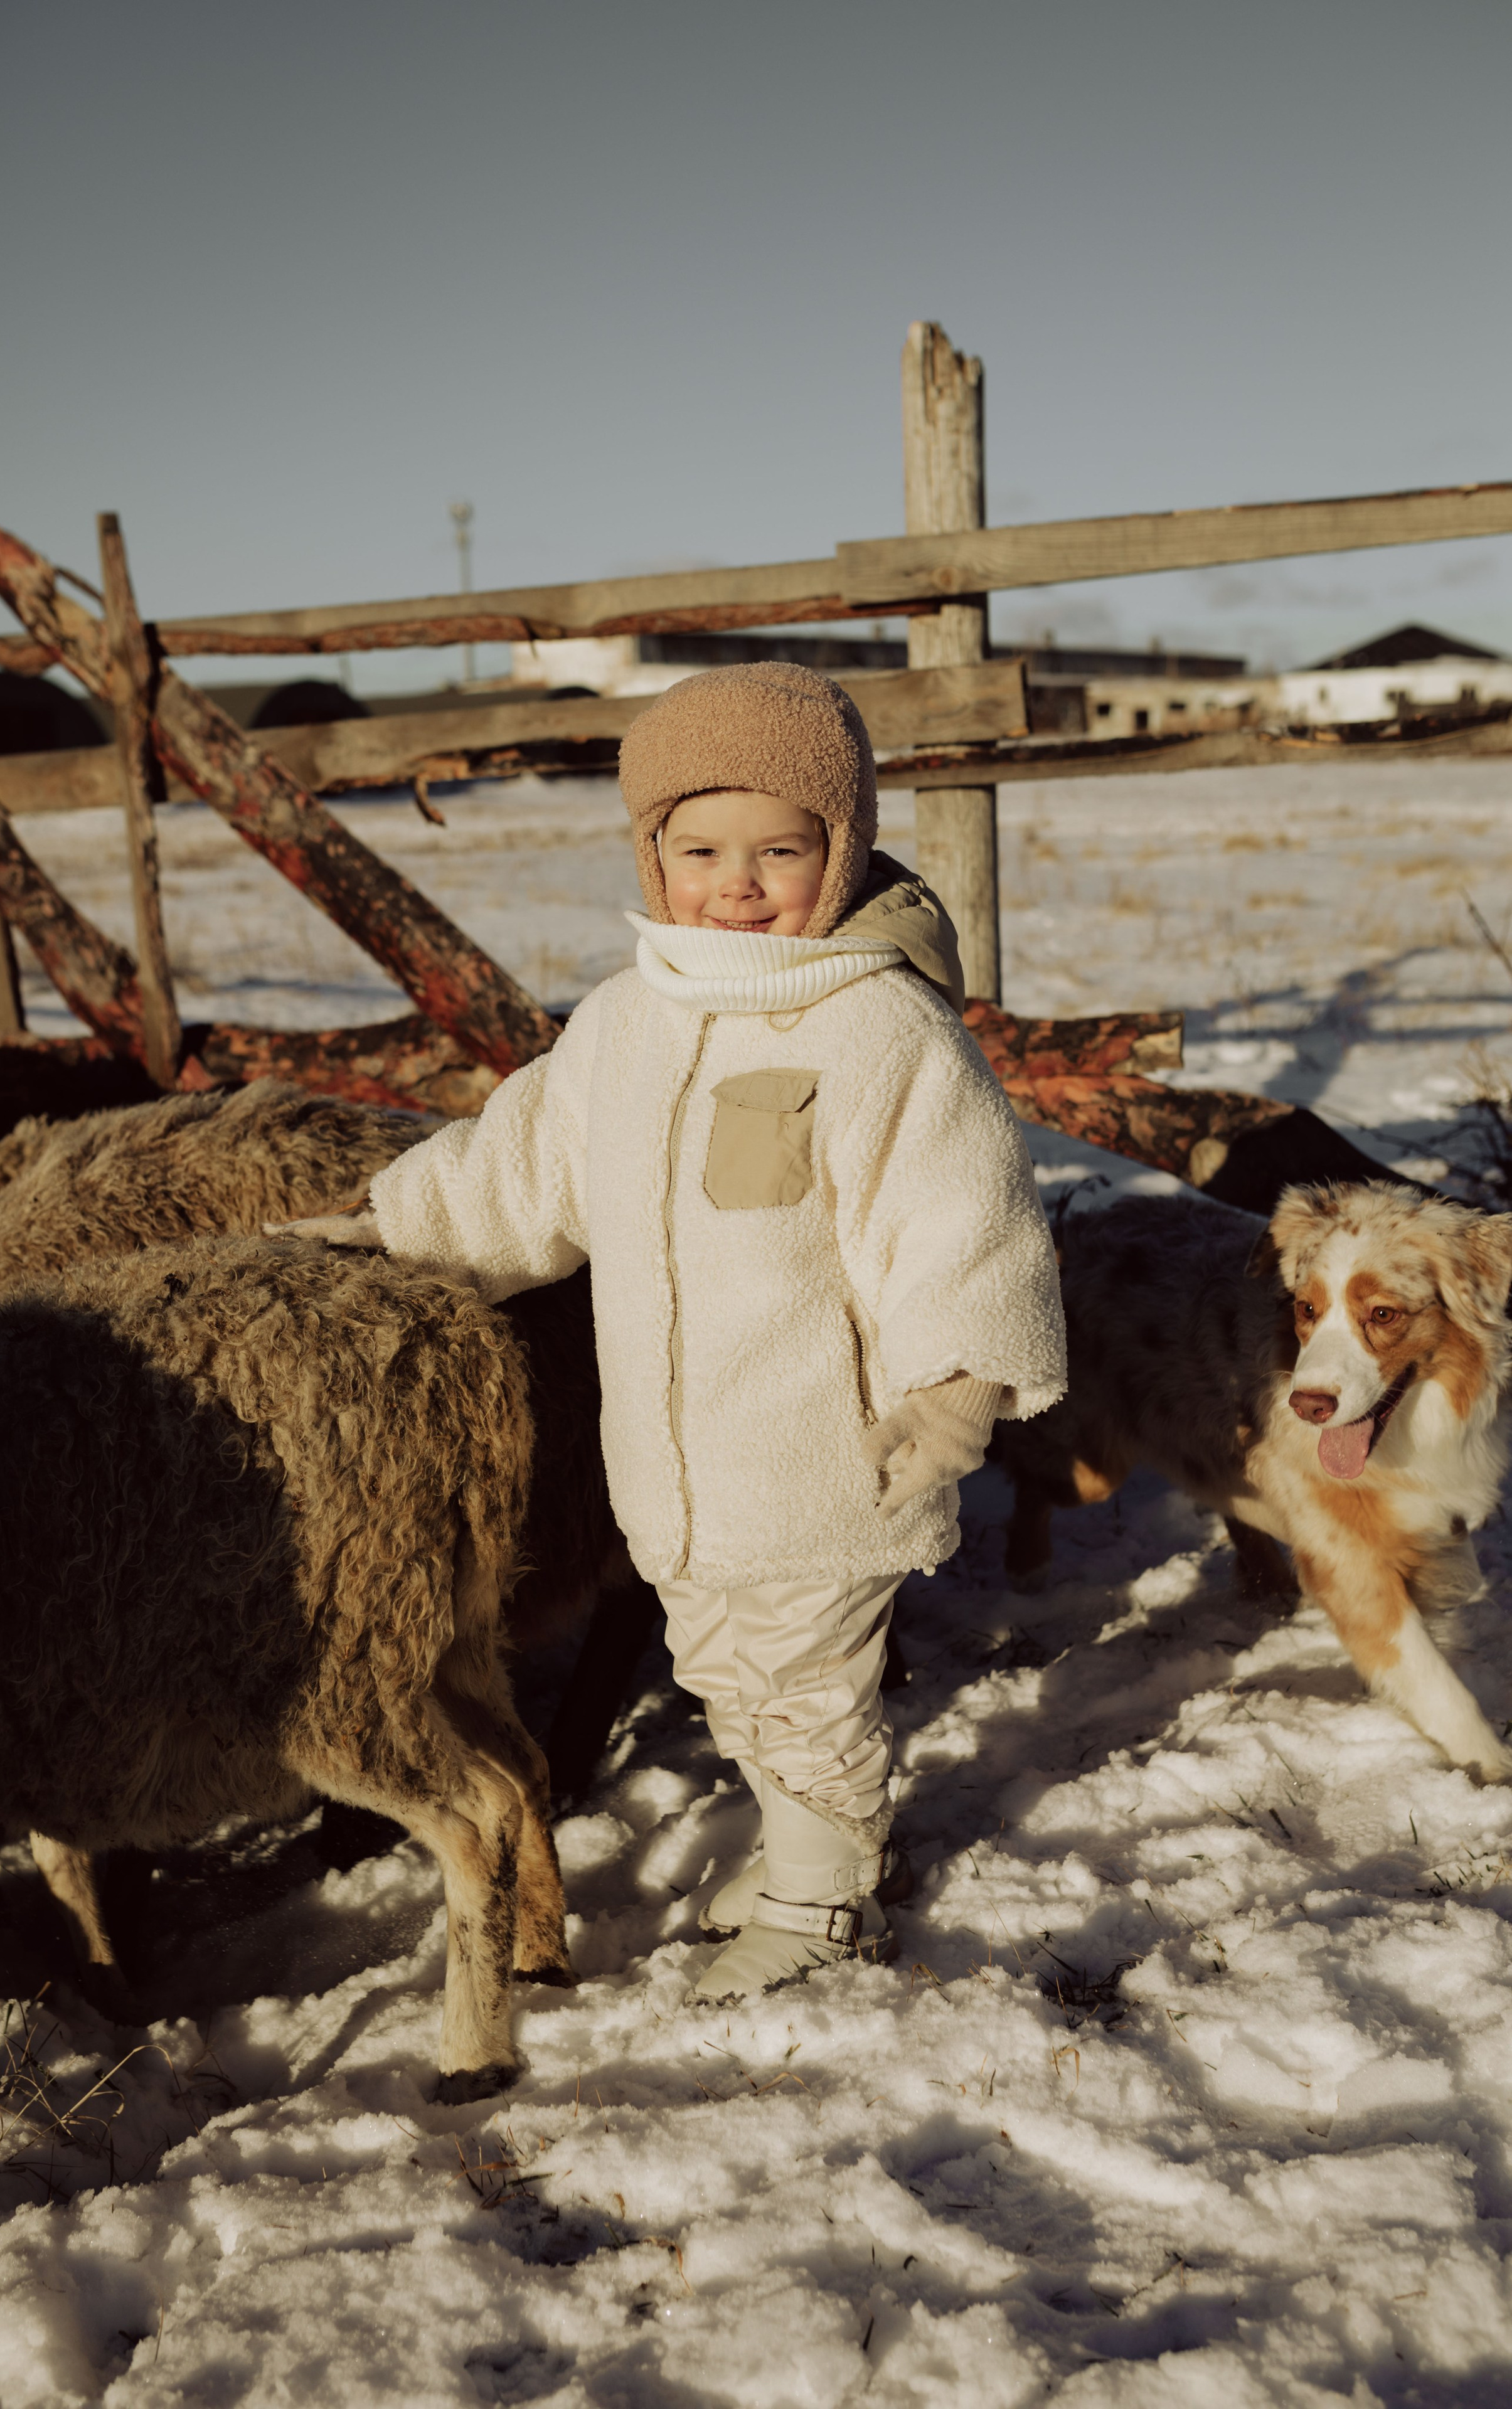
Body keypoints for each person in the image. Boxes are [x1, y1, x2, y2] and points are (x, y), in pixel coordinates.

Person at [292, 662, 1066, 2001]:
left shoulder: (878, 1026)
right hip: (676, 1459)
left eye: (780, 852)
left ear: (842, 849)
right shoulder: (628, 1018)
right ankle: (817, 1847)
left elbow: (959, 1209)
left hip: (826, 1446)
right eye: (700, 851)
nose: (738, 885)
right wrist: (391, 1233)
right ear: (653, 854)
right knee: (724, 1665)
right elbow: (521, 1170)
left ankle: (824, 1904)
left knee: (805, 1679)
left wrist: (954, 1382)